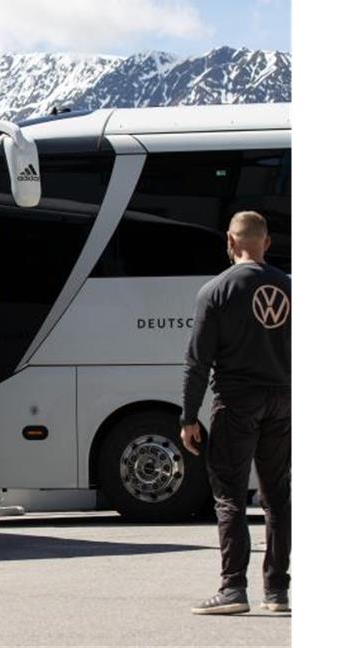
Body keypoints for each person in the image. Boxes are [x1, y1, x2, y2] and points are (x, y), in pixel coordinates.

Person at [180, 211, 290, 615]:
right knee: (278, 496)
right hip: (284, 399)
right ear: (267, 242)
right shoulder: (290, 287)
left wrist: (188, 417)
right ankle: (277, 591)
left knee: (229, 494)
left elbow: (197, 361)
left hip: (236, 400)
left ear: (230, 240)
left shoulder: (216, 290)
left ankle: (233, 589)